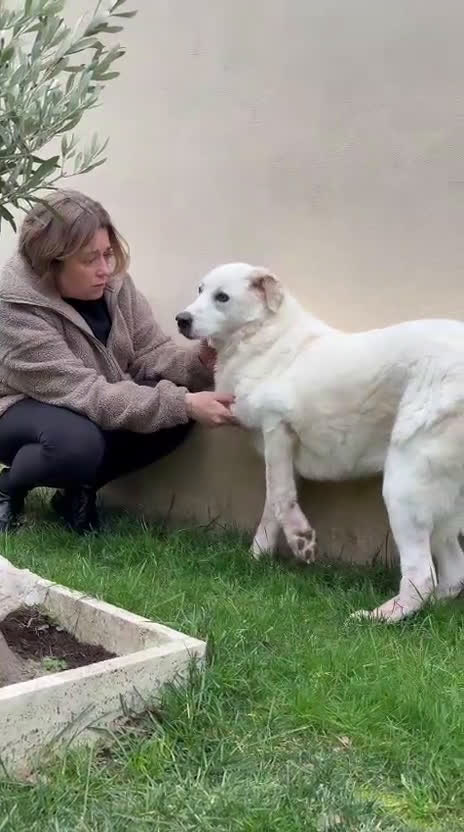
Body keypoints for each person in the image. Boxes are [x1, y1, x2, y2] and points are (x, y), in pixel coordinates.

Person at [0, 189, 236, 533]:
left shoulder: (115, 285)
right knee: (77, 443)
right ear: (51, 262)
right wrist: (184, 403)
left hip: (87, 403)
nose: (104, 270)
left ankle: (77, 492)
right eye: (89, 260)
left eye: (107, 254)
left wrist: (200, 362)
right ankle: (8, 489)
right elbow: (86, 391)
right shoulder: (14, 309)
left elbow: (149, 352)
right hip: (17, 411)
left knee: (172, 410)